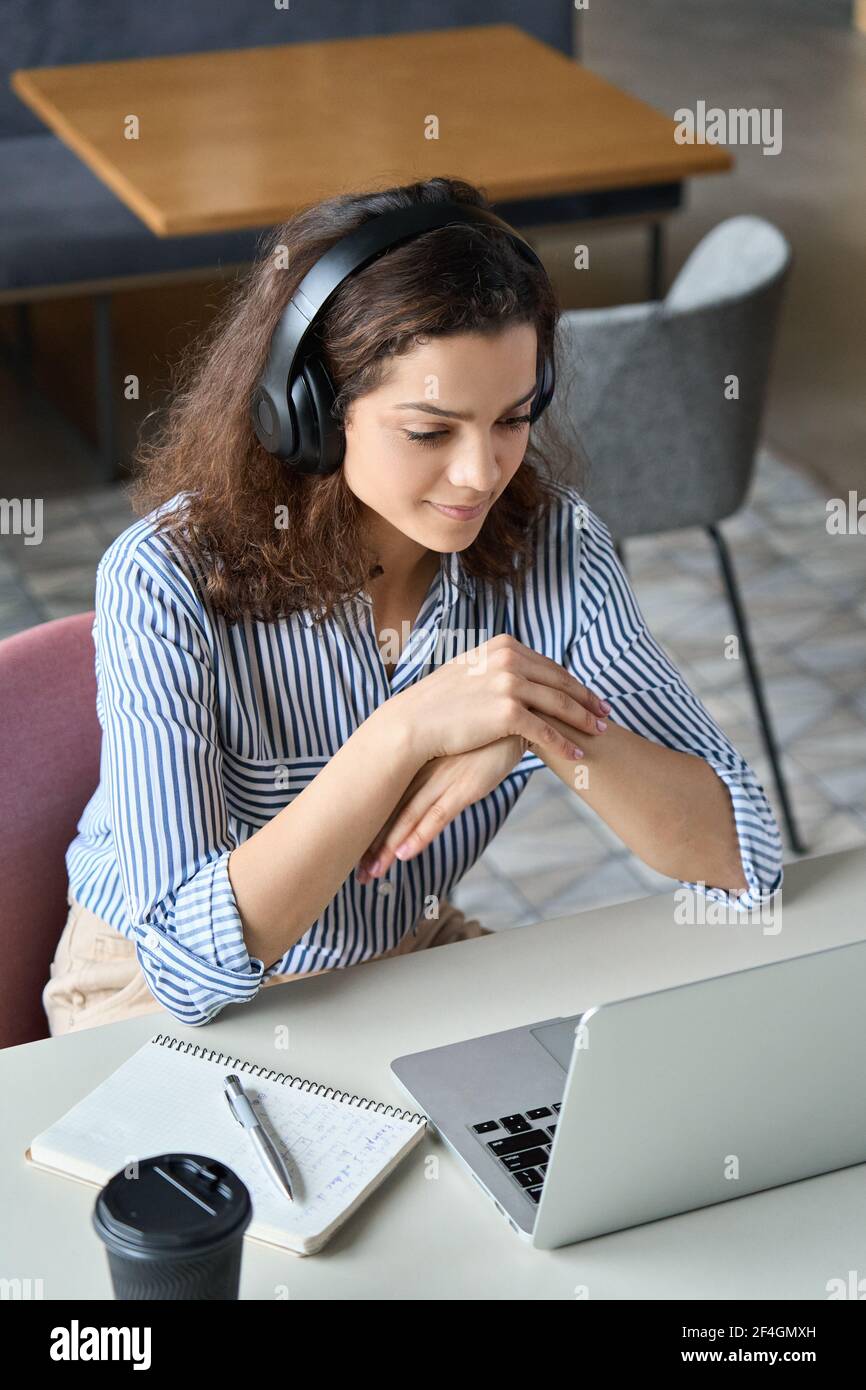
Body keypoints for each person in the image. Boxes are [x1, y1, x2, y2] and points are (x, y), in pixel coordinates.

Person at [43, 176, 783, 1037]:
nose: (482, 472)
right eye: (431, 431)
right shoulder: (163, 577)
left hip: (399, 957)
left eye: (514, 418)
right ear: (310, 414)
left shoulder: (553, 546)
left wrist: (539, 726)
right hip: (147, 991)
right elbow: (184, 967)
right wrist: (407, 733)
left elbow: (747, 861)